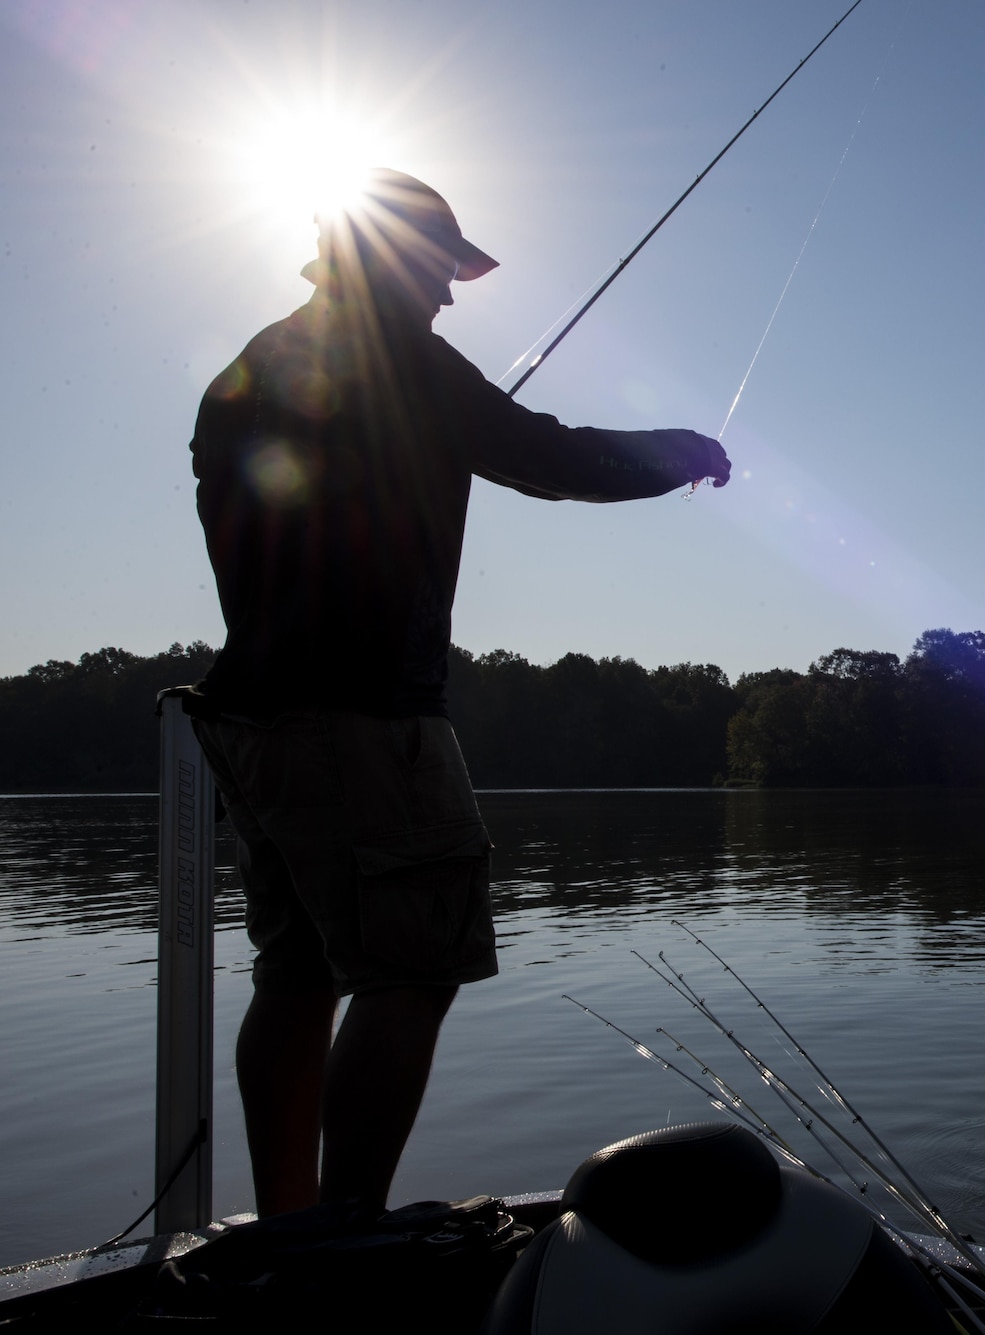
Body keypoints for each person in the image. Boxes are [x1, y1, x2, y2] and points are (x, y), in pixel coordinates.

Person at [184, 168, 729, 1216]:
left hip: (254, 721)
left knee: (296, 975)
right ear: (392, 260)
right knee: (410, 972)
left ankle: (293, 1229)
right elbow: (549, 457)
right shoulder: (400, 364)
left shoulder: (251, 367)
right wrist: (678, 452)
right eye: (440, 269)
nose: (447, 294)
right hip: (362, 720)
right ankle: (346, 1242)